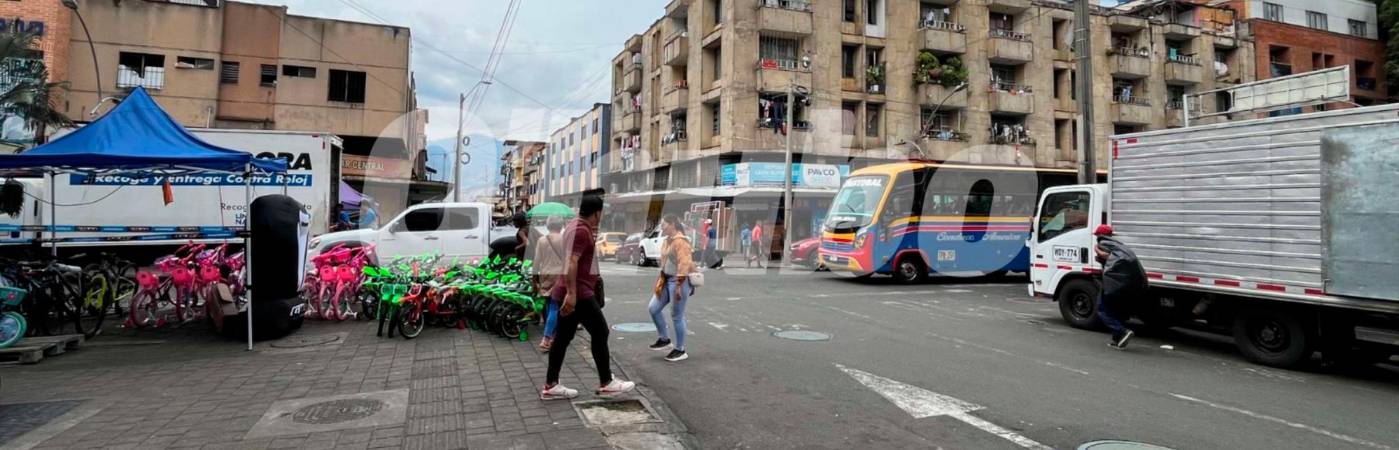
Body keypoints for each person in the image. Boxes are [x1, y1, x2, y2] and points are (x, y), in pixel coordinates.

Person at [541, 194, 635, 400]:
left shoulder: (574, 225)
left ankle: (551, 385)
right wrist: (573, 294)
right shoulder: (581, 231)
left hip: (572, 290)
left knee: (563, 338)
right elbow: (571, 262)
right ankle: (606, 382)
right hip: (579, 293)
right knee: (600, 331)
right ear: (598, 213)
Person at [648, 215, 695, 362]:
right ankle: (664, 339)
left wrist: (680, 286)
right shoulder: (667, 241)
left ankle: (680, 349)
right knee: (653, 308)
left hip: (678, 281)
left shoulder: (681, 242)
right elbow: (664, 263)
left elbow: (684, 264)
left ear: (672, 224)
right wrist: (660, 280)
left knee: (677, 315)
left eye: (664, 224)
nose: (661, 227)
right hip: (666, 279)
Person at [1094, 224, 1147, 350]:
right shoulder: (1119, 245)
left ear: (1100, 235)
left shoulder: (1103, 243)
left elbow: (1111, 258)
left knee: (1102, 309)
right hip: (1127, 283)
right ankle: (1117, 340)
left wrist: (1098, 252)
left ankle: (1121, 331)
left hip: (1114, 283)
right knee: (1116, 310)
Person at [532, 217, 567, 352]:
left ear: (547, 226)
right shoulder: (564, 240)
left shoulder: (542, 240)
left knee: (549, 305)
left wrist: (534, 280)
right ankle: (547, 338)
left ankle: (551, 336)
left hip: (545, 275)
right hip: (560, 275)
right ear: (561, 226)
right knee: (554, 306)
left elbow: (536, 262)